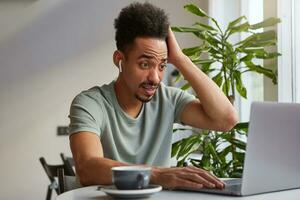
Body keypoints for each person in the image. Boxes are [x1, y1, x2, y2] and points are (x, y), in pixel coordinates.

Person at [68, 2, 238, 190]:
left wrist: (180, 59)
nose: (155, 78)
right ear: (119, 60)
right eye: (144, 64)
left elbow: (226, 120)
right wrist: (157, 174)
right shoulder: (90, 103)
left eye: (162, 65)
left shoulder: (168, 99)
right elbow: (87, 168)